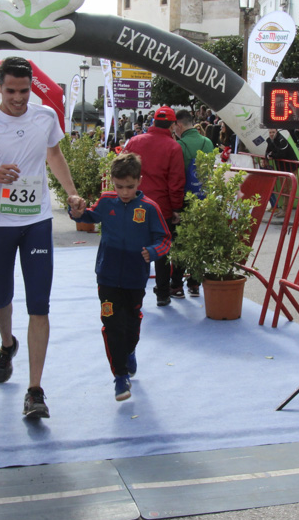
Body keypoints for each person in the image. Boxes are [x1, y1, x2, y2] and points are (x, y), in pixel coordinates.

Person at [0, 56, 84, 420]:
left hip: (36, 221)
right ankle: (7, 344)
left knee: (39, 304)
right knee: (2, 297)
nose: (18, 98)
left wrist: (70, 192)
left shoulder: (44, 117)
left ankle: (35, 390)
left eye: (24, 91)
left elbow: (54, 153)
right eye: (11, 91)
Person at [69, 152, 171, 401]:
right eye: (119, 186)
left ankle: (129, 352)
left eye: (130, 186)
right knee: (112, 325)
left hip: (135, 279)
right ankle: (120, 377)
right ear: (112, 182)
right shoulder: (106, 202)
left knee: (131, 325)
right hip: (107, 276)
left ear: (140, 181)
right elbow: (88, 216)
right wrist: (77, 211)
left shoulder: (149, 208)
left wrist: (153, 251)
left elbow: (165, 239)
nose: (124, 192)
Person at [123, 106, 185, 306]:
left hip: (135, 204)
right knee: (162, 251)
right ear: (173, 124)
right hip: (161, 207)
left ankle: (133, 293)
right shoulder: (173, 147)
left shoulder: (134, 141)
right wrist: (176, 208)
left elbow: (120, 168)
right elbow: (176, 182)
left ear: (153, 121)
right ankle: (163, 293)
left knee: (134, 249)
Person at [170, 109, 213, 298]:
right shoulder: (208, 142)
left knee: (180, 244)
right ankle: (194, 284)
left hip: (185, 200)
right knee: (198, 241)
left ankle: (177, 285)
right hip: (204, 200)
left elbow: (177, 178)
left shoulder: (178, 145)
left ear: (179, 125)